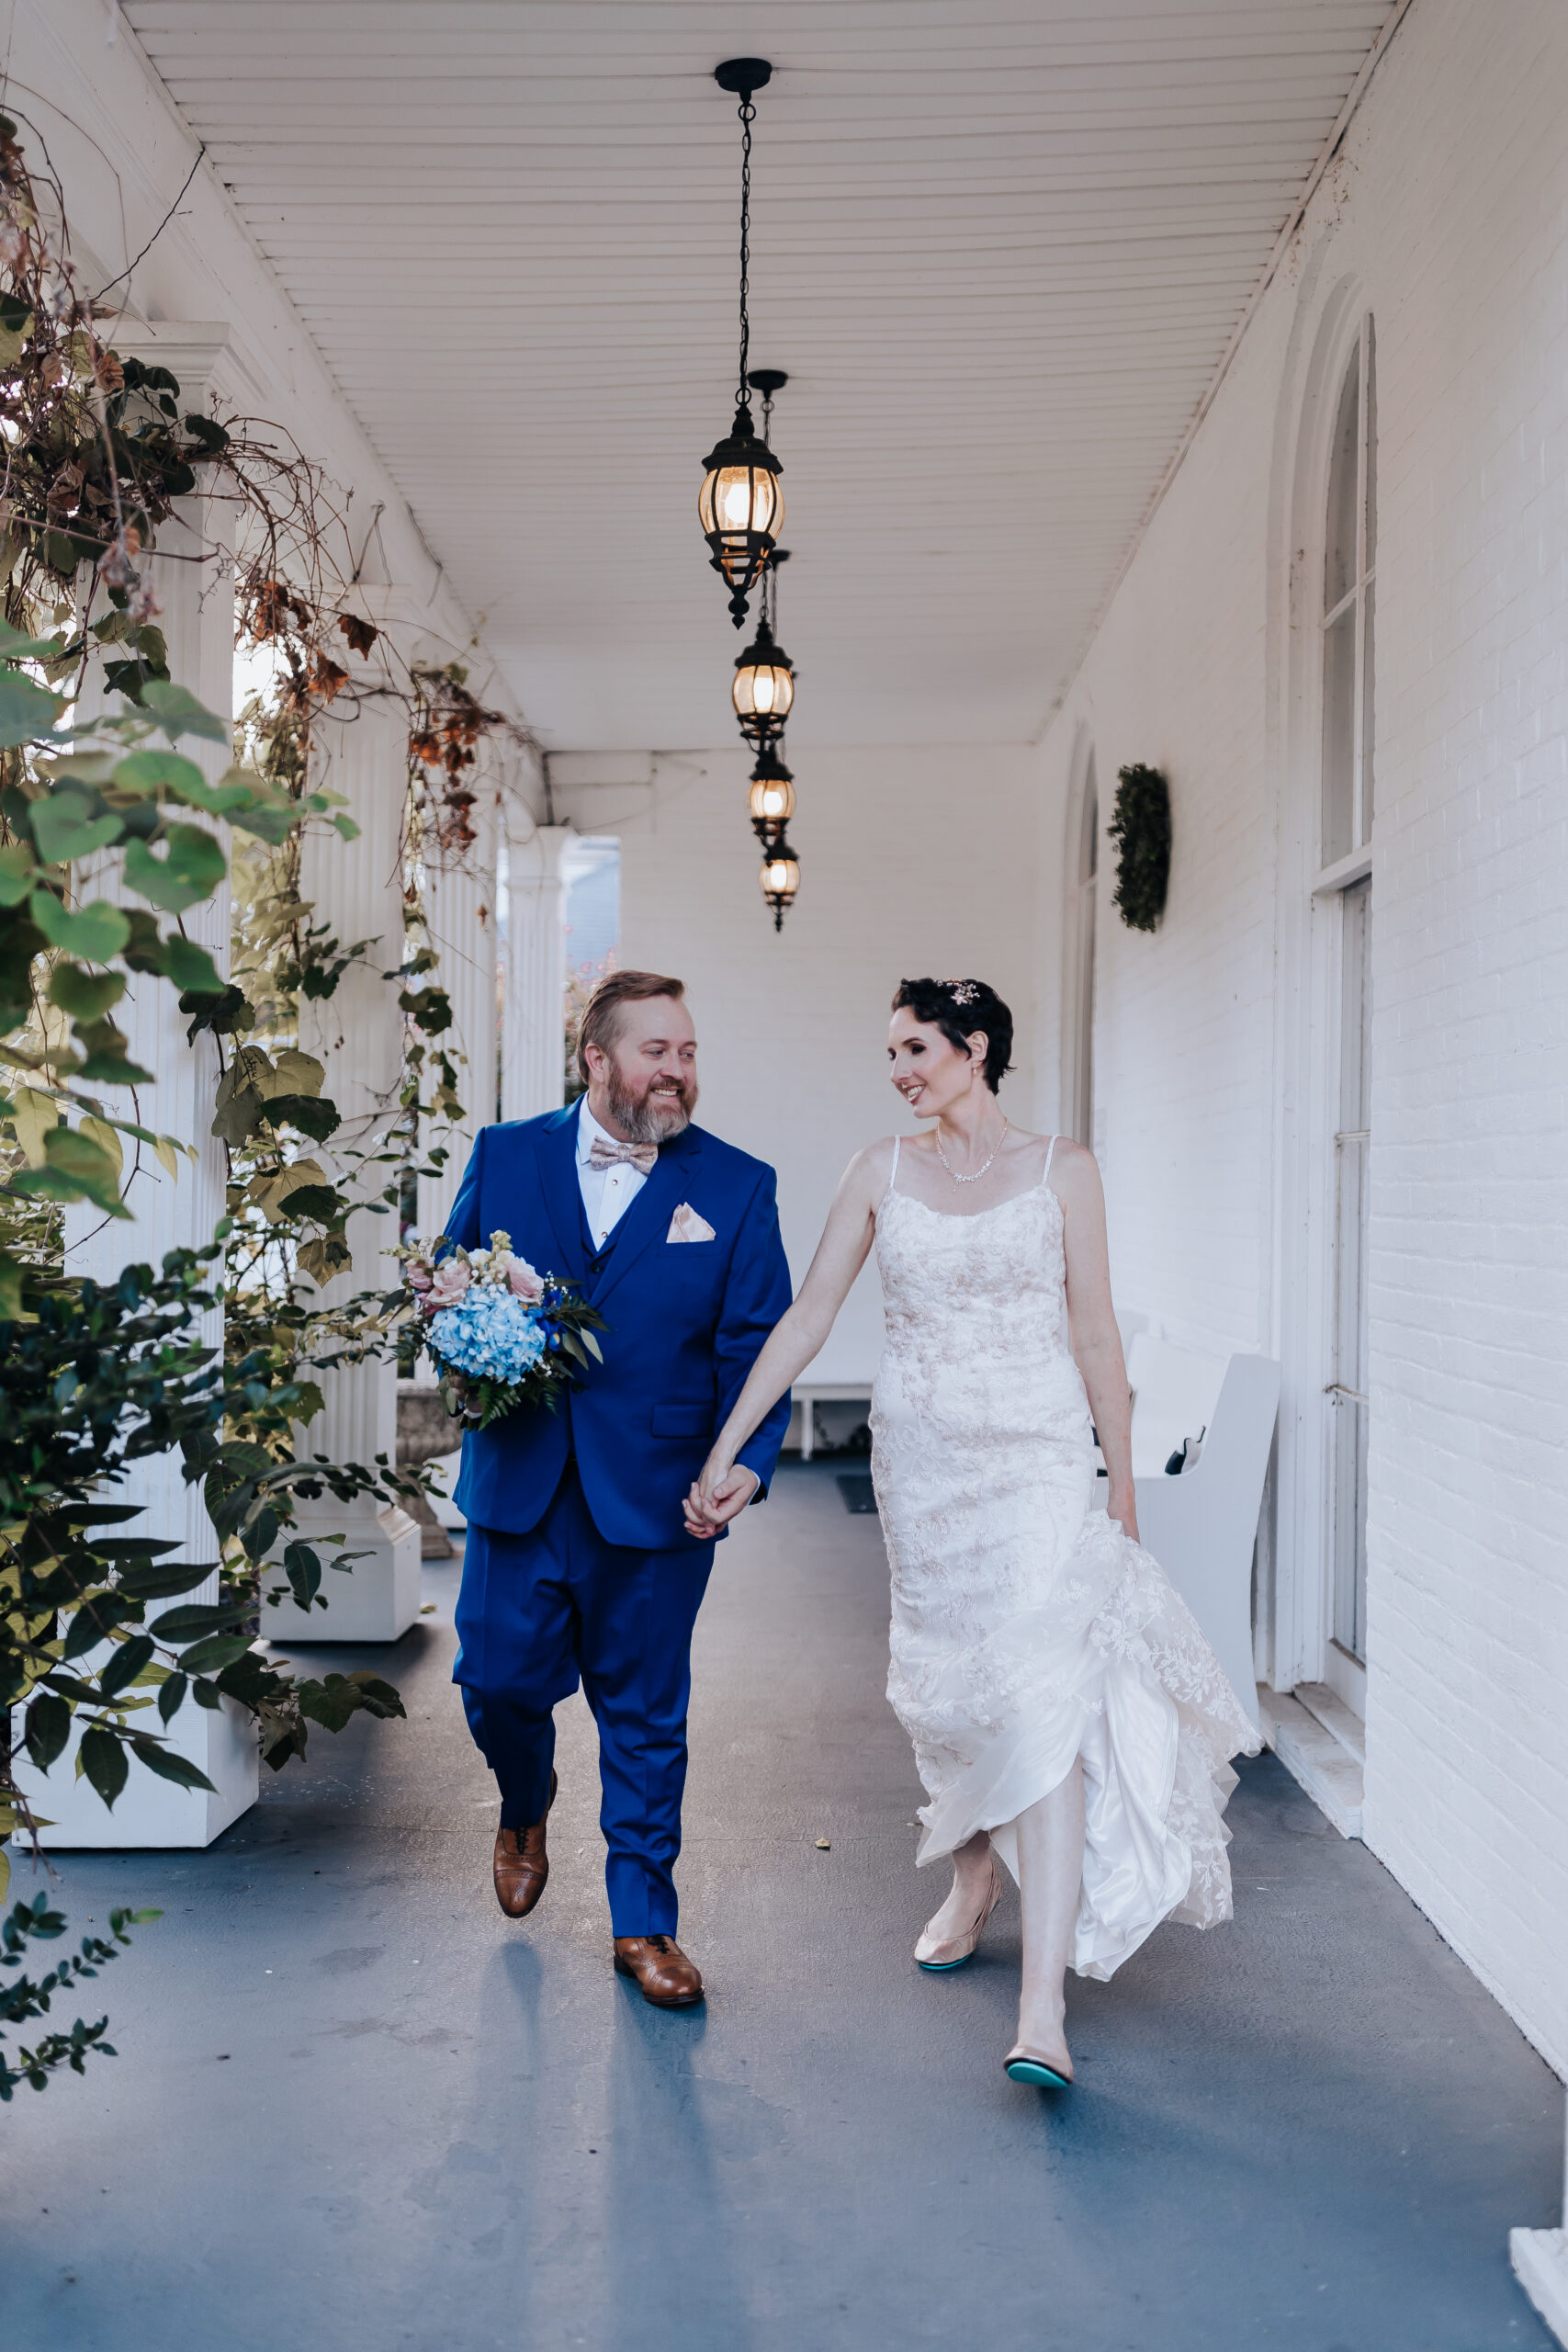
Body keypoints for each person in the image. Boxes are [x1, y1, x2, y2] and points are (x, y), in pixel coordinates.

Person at [688, 976, 1259, 2086]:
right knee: (945, 1690)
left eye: (915, 1047)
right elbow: (808, 1316)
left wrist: (1122, 1485)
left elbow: (1096, 1336)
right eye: (891, 1054)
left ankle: (1042, 2009)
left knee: (1045, 1700)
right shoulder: (877, 1170)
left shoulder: (1064, 1169)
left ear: (976, 1046)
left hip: (1039, 1466)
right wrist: (727, 1446)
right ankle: (972, 1873)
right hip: (924, 1472)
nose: (899, 1070)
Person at [447, 970, 792, 2007]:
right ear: (595, 1059)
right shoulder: (505, 1155)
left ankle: (644, 1923)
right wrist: (468, 1336)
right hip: (519, 1478)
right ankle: (525, 1797)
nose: (677, 1070)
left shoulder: (738, 1185)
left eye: (687, 1052)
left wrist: (743, 1464)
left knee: (643, 1713)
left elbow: (756, 1345)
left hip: (658, 1495)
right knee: (495, 1682)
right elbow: (450, 1285)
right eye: (657, 1052)